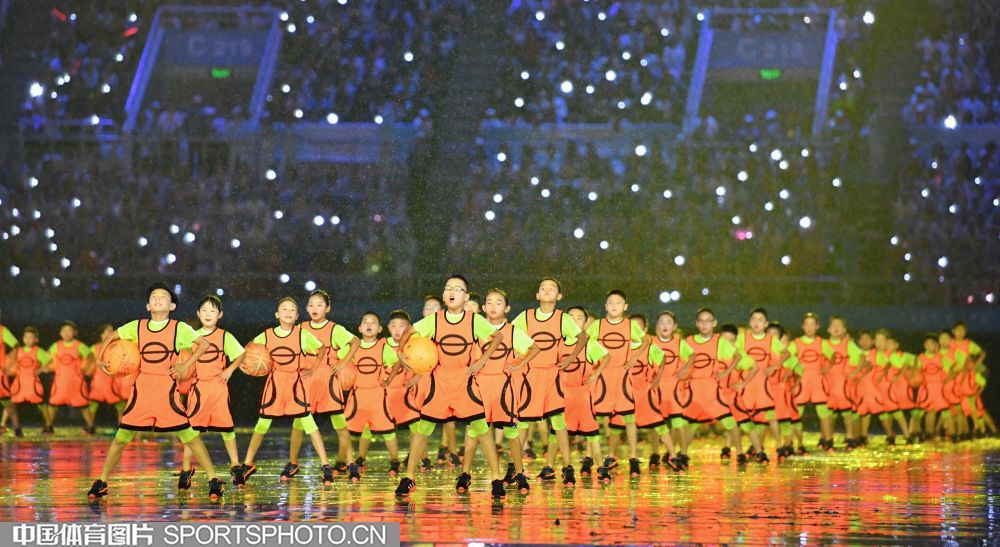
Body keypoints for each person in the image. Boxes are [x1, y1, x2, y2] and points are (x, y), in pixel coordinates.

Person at [87, 283, 225, 500]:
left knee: (190, 437)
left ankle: (213, 480)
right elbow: (112, 335)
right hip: (142, 392)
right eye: (154, 296)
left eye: (163, 296)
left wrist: (185, 364)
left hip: (167, 393)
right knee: (121, 438)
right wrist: (99, 357)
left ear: (172, 306)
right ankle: (102, 481)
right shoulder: (137, 326)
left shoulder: (179, 328)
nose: (158, 298)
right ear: (147, 305)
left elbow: (204, 345)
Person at [393, 275, 506, 499]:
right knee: (423, 430)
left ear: (466, 297)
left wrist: (482, 360)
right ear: (444, 295)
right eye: (448, 288)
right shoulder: (434, 320)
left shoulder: (474, 320)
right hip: (440, 383)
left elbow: (497, 336)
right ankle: (409, 477)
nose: (452, 291)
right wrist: (399, 351)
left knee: (482, 430)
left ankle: (496, 478)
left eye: (458, 289)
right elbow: (409, 331)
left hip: (465, 382)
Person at [240, 297, 335, 486]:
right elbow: (249, 348)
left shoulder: (302, 335)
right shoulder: (267, 335)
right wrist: (245, 364)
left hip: (295, 384)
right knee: (262, 424)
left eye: (292, 309)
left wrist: (313, 368)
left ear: (297, 315)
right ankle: (247, 464)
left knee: (309, 424)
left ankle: (325, 465)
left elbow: (322, 349)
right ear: (277, 314)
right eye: (284, 309)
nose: (288, 312)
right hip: (275, 383)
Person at [511, 278, 588, 485]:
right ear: (537, 294)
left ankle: (567, 467)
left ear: (559, 296)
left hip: (552, 375)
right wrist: (518, 354)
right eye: (543, 288)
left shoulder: (563, 318)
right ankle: (516, 468)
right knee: (523, 421)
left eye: (552, 288)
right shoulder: (526, 316)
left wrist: (571, 358)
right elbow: (509, 333)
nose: (547, 291)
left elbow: (583, 338)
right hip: (529, 375)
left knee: (558, 421)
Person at [176, 296, 246, 488]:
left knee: (227, 429)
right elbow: (180, 356)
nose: (208, 314)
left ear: (220, 315)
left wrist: (230, 370)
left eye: (212, 311)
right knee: (192, 431)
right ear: (198, 314)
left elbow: (241, 354)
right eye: (204, 310)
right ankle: (186, 468)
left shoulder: (225, 336)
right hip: (198, 389)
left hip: (218, 387)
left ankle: (235, 465)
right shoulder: (192, 337)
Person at [47, 321, 96, 433]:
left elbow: (91, 356)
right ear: (60, 333)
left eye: (69, 330)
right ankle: (48, 426)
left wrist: (85, 367)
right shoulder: (56, 346)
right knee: (53, 404)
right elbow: (47, 357)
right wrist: (47, 367)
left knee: (83, 405)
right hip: (60, 382)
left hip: (76, 382)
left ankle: (90, 426)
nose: (66, 333)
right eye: (64, 330)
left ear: (75, 333)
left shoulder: (79, 345)